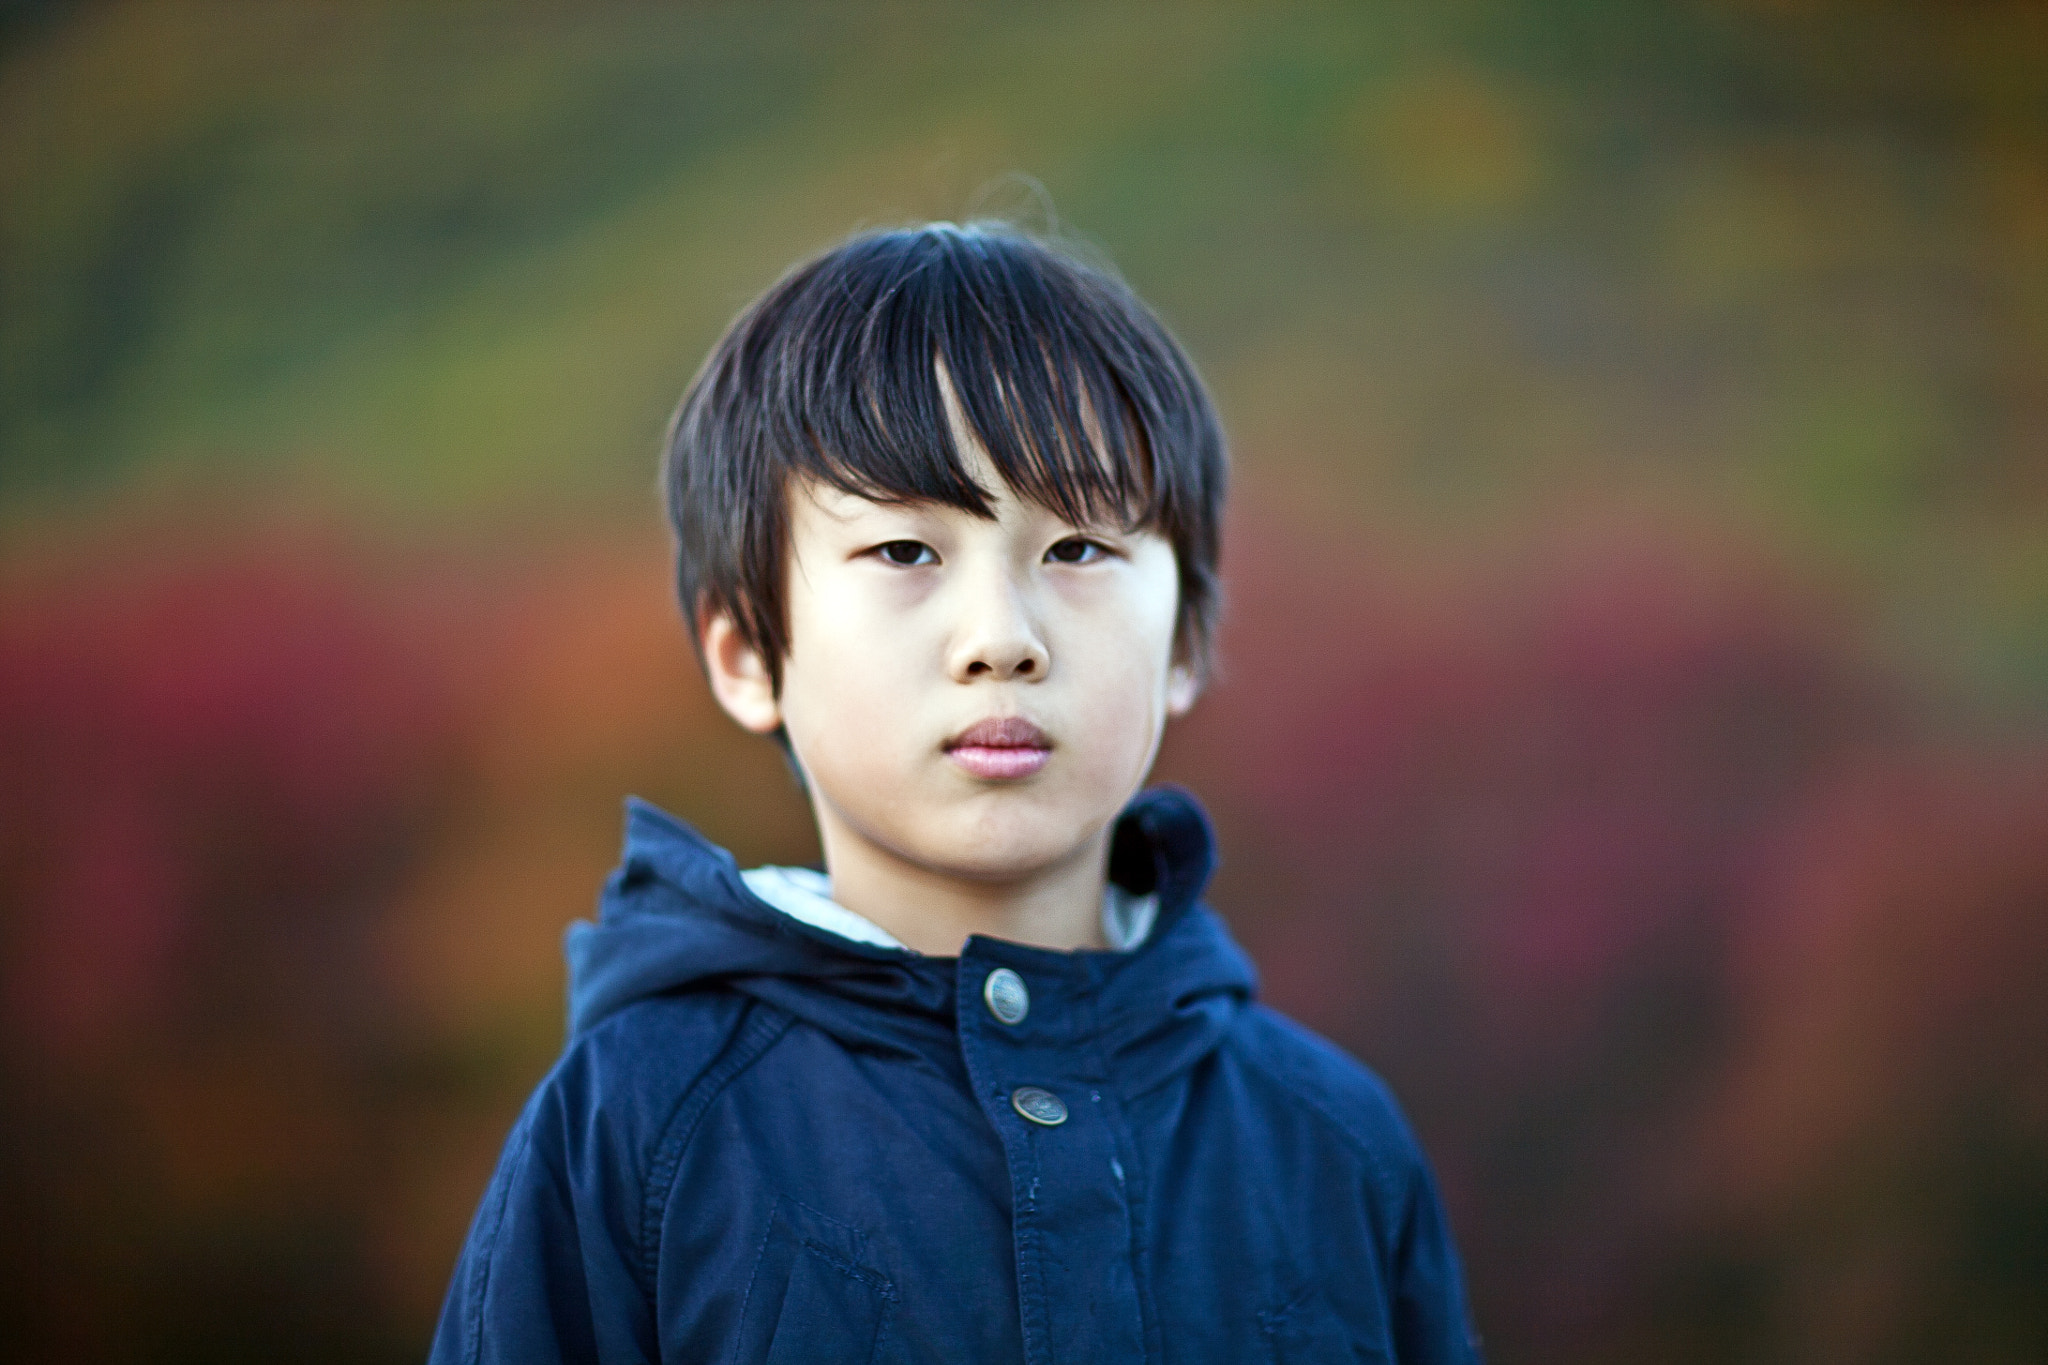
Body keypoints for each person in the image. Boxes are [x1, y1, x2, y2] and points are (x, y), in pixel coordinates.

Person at [429, 222, 1482, 1364]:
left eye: (1076, 548)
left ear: (1184, 640)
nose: (1000, 640)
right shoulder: (637, 1125)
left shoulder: (1330, 1142)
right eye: (903, 553)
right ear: (744, 654)